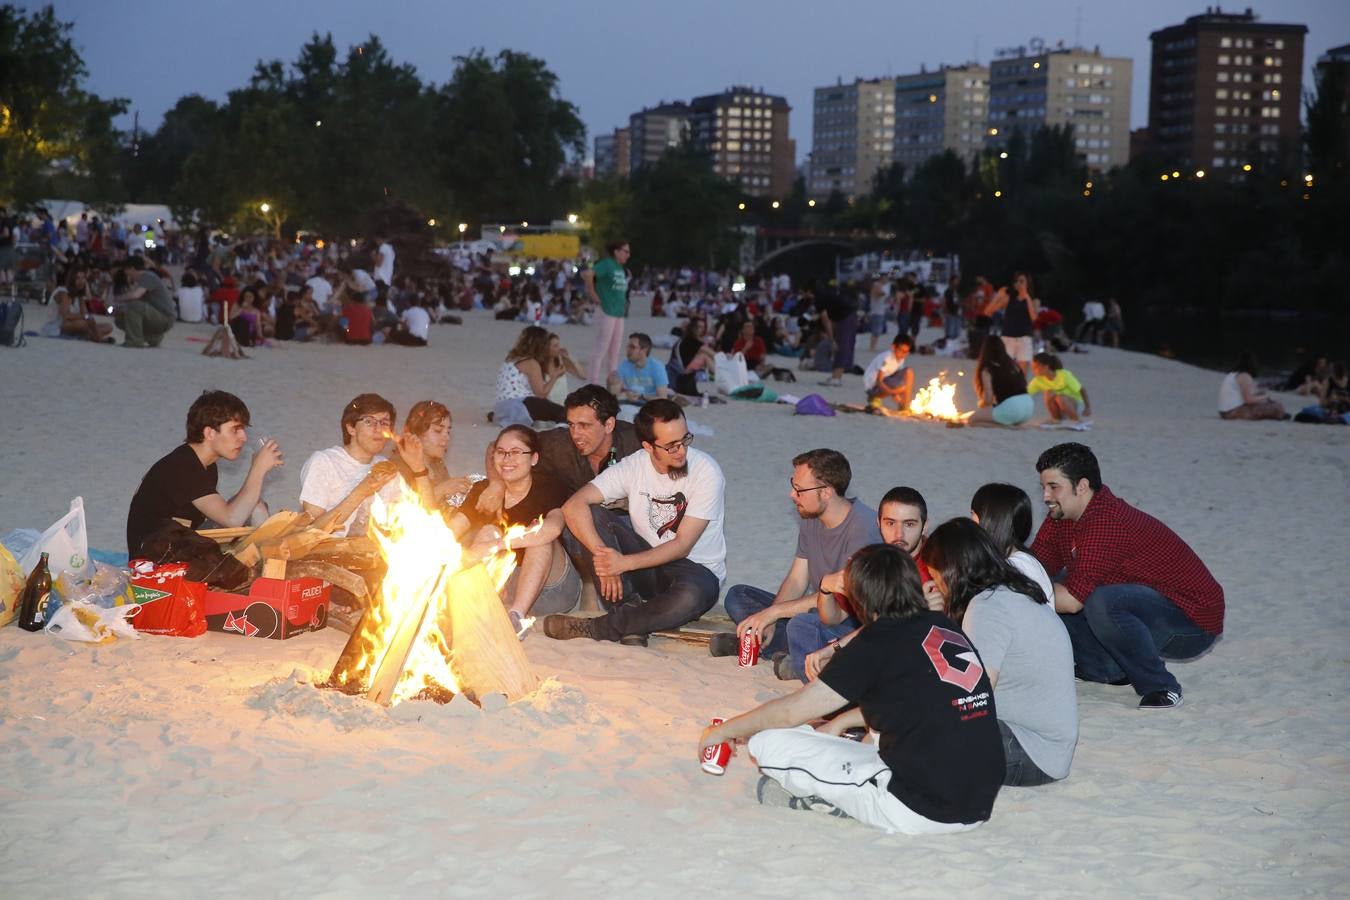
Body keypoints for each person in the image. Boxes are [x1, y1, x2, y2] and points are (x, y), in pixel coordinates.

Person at [697, 544, 1004, 834]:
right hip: (979, 796)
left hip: (922, 807)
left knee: (768, 744)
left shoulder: (876, 642)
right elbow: (917, 702)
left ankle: (839, 803)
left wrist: (723, 732)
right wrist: (842, 721)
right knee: (831, 737)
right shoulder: (942, 625)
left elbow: (792, 710)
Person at [1031, 443, 1225, 709]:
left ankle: (1161, 686)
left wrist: (1018, 590)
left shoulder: (1105, 521)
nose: (1045, 496)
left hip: (1192, 622)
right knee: (1052, 584)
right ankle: (1106, 670)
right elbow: (1034, 567)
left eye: (1054, 487)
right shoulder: (1063, 515)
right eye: (1044, 487)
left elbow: (1073, 600)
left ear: (1082, 486)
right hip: (1143, 603)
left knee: (1097, 599)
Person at [545, 399, 724, 646]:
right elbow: (573, 505)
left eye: (685, 440)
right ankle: (631, 611)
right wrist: (603, 558)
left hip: (695, 572)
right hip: (646, 562)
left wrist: (622, 563)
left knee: (691, 596)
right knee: (591, 515)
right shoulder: (634, 465)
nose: (681, 451)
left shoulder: (706, 472)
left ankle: (601, 626)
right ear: (648, 447)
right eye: (671, 446)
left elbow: (683, 545)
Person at [919, 518, 1078, 787]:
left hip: (1030, 750)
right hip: (1047, 750)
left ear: (951, 573)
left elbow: (972, 695)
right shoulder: (1009, 592)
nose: (939, 589)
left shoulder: (988, 607)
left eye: (936, 577)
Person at [715, 450, 881, 680]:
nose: (792, 494)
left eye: (800, 489)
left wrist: (773, 613)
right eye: (793, 485)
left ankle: (796, 659)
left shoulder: (864, 528)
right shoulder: (810, 517)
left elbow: (845, 601)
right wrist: (769, 619)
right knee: (737, 595)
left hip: (849, 621)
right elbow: (797, 579)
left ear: (826, 492)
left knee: (803, 624)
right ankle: (781, 648)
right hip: (817, 613)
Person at [125, 391, 282, 585]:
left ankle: (269, 574)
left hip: (180, 542)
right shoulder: (184, 466)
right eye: (235, 429)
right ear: (209, 433)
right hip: (155, 560)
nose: (243, 438)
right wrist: (258, 470)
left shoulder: (204, 466)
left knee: (256, 507)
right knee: (253, 510)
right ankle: (269, 579)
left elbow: (227, 516)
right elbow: (231, 518)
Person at [450, 426, 581, 634]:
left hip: (553, 590)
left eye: (516, 452)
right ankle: (480, 607)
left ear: (534, 458)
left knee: (539, 537)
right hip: (508, 588)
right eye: (501, 452)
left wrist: (495, 546)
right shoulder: (484, 491)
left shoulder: (548, 486)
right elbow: (451, 531)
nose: (507, 459)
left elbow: (554, 528)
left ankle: (517, 618)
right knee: (488, 531)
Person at [298, 394, 400, 538]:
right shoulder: (324, 462)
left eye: (384, 423)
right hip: (328, 556)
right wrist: (361, 491)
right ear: (351, 428)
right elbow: (310, 531)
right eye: (369, 421)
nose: (378, 429)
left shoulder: (386, 467)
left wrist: (418, 467)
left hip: (375, 554)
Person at [389, 400, 473, 513]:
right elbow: (402, 515)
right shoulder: (397, 468)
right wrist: (442, 489)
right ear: (416, 432)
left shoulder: (437, 464)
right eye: (438, 431)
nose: (446, 437)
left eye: (448, 431)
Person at [496, 325, 568, 424]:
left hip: (501, 407)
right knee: (564, 413)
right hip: (519, 405)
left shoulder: (511, 358)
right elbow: (541, 394)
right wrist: (555, 376)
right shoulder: (531, 363)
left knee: (548, 406)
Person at [585, 240, 632, 385]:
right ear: (616, 251)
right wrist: (592, 294)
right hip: (606, 311)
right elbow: (588, 274)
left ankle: (612, 384)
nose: (628, 255)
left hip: (618, 313)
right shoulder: (607, 264)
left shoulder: (619, 268)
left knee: (614, 351)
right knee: (601, 349)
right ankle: (592, 383)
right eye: (625, 251)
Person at [969, 335, 1033, 427]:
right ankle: (1008, 422)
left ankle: (1003, 426)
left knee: (972, 420)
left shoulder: (988, 369)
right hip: (1028, 409)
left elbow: (988, 400)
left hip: (1013, 408)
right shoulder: (1013, 364)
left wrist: (981, 405)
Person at [112, 256, 175, 348]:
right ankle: (152, 337)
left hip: (165, 318)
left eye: (126, 270)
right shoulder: (142, 280)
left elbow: (135, 296)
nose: (125, 273)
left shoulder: (148, 276)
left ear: (132, 268)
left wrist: (116, 299)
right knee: (120, 318)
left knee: (134, 306)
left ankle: (134, 341)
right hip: (156, 316)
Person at [983, 273, 1039, 377]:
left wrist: (1026, 297)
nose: (1018, 284)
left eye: (1021, 281)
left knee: (1022, 373)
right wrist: (998, 296)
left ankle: (1021, 392)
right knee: (1005, 368)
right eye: (1016, 281)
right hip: (1008, 337)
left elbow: (1034, 317)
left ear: (1028, 283)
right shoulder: (1009, 298)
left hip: (1024, 338)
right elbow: (988, 311)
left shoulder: (1034, 300)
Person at [1028, 352, 1093, 428]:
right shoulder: (1038, 380)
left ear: (1045, 367)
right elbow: (1025, 393)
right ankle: (1056, 419)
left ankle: (1077, 421)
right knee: (1048, 393)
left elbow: (1082, 390)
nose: (1033, 370)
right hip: (1060, 408)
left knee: (1060, 397)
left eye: (1035, 367)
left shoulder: (1064, 375)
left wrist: (1087, 407)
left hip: (1075, 405)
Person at [1218, 353, 1287, 421]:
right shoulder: (1244, 376)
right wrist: (1265, 396)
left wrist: (1261, 396)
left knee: (1262, 396)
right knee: (1277, 406)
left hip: (1224, 411)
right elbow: (1248, 400)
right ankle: (1280, 414)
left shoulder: (1232, 374)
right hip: (1233, 412)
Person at [609, 332, 670, 402]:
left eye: (632, 347)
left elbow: (663, 398)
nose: (628, 350)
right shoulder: (624, 365)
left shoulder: (657, 367)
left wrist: (642, 397)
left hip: (651, 406)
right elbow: (614, 395)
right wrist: (614, 386)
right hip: (629, 404)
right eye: (628, 346)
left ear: (644, 350)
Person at [862, 333, 915, 412]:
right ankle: (874, 398)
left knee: (909, 373)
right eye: (902, 351)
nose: (904, 354)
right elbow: (879, 381)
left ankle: (904, 405)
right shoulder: (887, 358)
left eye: (906, 352)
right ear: (894, 347)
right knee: (903, 385)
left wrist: (899, 396)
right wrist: (892, 392)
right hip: (873, 388)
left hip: (885, 383)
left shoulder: (900, 358)